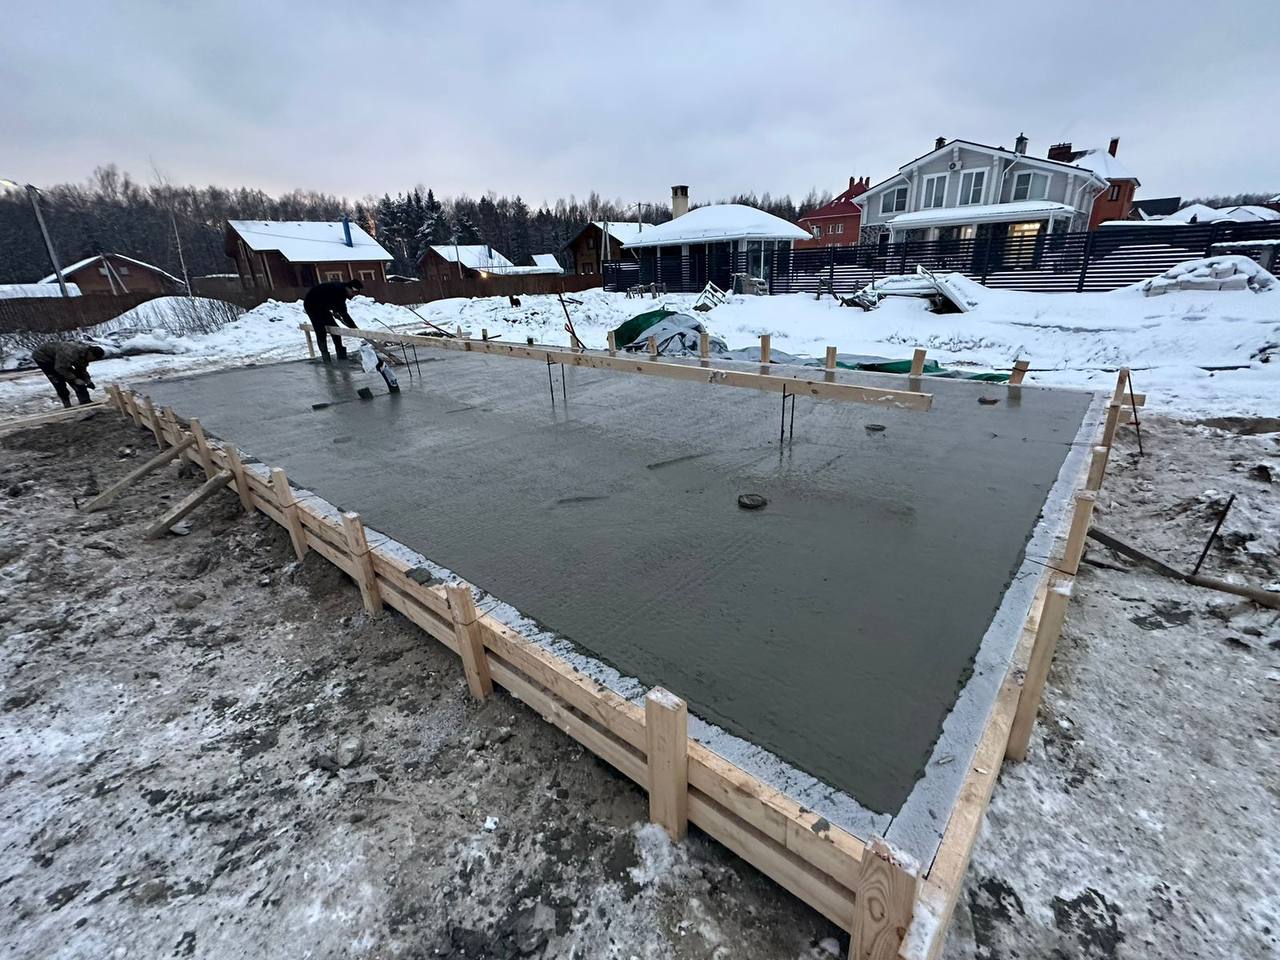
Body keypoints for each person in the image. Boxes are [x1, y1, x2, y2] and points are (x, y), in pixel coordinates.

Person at [32, 340, 106, 407]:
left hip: (60, 357)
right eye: (93, 359)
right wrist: (74, 379)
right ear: (91, 354)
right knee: (58, 380)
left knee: (79, 381)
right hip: (43, 357)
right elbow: (60, 368)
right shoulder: (70, 352)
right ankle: (67, 404)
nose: (92, 361)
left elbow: (81, 369)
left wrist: (87, 380)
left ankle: (85, 401)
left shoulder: (85, 354)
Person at [303, 278, 363, 362]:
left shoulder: (342, 293)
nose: (353, 296)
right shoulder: (338, 291)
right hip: (311, 304)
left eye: (356, 294)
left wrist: (354, 328)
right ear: (348, 288)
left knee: (335, 328)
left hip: (323, 306)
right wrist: (354, 328)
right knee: (320, 329)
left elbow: (341, 311)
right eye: (353, 293)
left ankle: (340, 352)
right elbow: (344, 314)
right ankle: (325, 356)